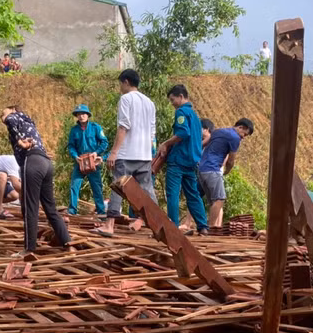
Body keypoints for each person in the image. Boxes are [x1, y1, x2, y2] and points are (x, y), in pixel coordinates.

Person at [93, 69, 157, 237]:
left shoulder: (126, 99)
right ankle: (159, 227)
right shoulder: (149, 102)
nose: (120, 87)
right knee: (147, 190)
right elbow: (152, 132)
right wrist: (148, 152)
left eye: (120, 84)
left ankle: (109, 225)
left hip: (127, 153)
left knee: (118, 187)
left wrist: (114, 152)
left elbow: (123, 126)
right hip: (144, 155)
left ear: (126, 82)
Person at [1, 106, 71, 256]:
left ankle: (29, 249)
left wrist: (20, 141)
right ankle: (67, 243)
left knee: (29, 207)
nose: (2, 116)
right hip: (46, 163)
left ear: (13, 109)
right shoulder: (27, 121)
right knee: (50, 208)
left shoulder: (14, 117)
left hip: (32, 161)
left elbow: (10, 120)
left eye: (3, 112)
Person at [155, 84, 209, 235]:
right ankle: (203, 226)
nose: (172, 103)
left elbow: (183, 133)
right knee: (193, 194)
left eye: (173, 100)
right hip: (192, 161)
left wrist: (165, 143)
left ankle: (174, 226)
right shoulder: (195, 116)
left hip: (178, 160)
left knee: (173, 194)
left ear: (180, 96)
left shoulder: (181, 112)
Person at [197, 118, 254, 228]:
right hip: (212, 169)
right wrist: (226, 171)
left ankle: (203, 227)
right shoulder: (234, 137)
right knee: (219, 199)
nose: (243, 137)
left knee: (212, 201)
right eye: (244, 134)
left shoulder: (218, 131)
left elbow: (202, 144)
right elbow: (231, 161)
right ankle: (211, 228)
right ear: (240, 127)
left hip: (202, 169)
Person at [67, 104, 108, 217]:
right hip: (80, 162)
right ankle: (72, 211)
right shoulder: (74, 131)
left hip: (93, 162)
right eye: (79, 114)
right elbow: (71, 146)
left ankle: (101, 213)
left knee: (97, 187)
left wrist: (96, 153)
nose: (81, 116)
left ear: (88, 115)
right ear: (77, 116)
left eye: (83, 114)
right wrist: (75, 156)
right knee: (74, 185)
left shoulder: (96, 127)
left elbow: (104, 142)